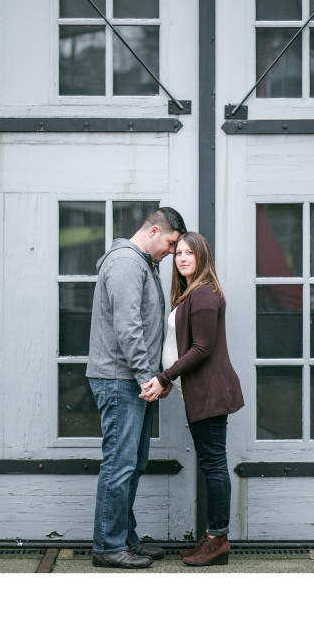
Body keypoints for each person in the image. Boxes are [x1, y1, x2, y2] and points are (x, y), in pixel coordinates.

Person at [88, 206, 186, 569]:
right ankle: (108, 545)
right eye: (172, 243)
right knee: (120, 464)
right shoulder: (127, 263)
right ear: (155, 230)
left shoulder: (141, 264)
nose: (173, 252)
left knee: (132, 462)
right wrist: (149, 377)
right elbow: (128, 327)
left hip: (130, 379)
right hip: (121, 380)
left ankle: (124, 539)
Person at [148, 231, 244, 567]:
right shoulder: (192, 292)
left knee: (214, 466)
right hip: (201, 391)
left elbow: (201, 348)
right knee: (210, 464)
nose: (183, 258)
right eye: (179, 253)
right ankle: (213, 536)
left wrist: (165, 377)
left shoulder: (203, 294)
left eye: (191, 253)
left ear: (202, 257)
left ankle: (218, 539)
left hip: (211, 392)